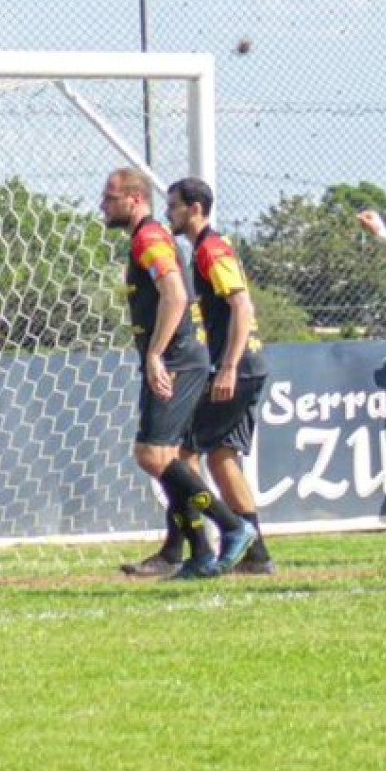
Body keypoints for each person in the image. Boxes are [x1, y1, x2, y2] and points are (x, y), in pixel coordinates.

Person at [100, 168, 255, 579]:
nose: (103, 205)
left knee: (153, 455)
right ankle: (198, 551)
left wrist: (155, 354)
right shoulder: (147, 238)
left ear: (134, 200)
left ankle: (233, 527)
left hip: (178, 360)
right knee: (170, 458)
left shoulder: (150, 238)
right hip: (180, 358)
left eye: (110, 197)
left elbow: (175, 293)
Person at [165, 177, 276, 574]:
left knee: (179, 454)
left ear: (195, 209)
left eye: (174, 205)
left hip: (239, 368)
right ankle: (256, 554)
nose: (168, 213)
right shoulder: (205, 249)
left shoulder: (212, 249)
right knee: (223, 457)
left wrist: (227, 366)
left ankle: (199, 545)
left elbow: (242, 307)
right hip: (246, 366)